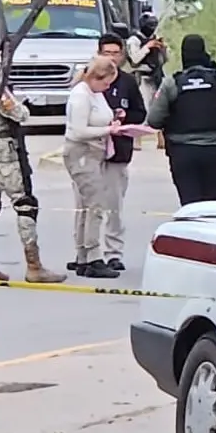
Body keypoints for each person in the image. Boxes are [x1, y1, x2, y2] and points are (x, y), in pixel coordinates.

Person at [0, 30, 65, 284]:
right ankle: (34, 264)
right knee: (25, 204)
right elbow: (18, 113)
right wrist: (22, 104)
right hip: (4, 148)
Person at [70, 33, 145, 272]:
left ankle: (113, 252)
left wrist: (123, 120)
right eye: (107, 53)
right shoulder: (85, 88)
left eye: (116, 53)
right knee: (87, 205)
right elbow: (78, 127)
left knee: (112, 205)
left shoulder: (126, 81)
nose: (112, 58)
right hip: (90, 152)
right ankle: (85, 253)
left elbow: (139, 112)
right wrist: (106, 125)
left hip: (116, 151)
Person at [148, 34, 216, 206]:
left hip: (182, 152)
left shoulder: (172, 83)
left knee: (190, 206)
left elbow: (154, 119)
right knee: (215, 206)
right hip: (214, 150)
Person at [64, 55, 126, 279]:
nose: (107, 88)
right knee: (95, 205)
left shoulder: (95, 93)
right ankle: (93, 255)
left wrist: (114, 119)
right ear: (96, 77)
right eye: (106, 83)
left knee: (85, 205)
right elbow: (78, 131)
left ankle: (82, 255)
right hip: (82, 153)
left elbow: (98, 117)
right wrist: (108, 131)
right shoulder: (81, 96)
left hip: (95, 152)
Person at [127, 11, 167, 148]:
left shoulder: (156, 39)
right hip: (141, 77)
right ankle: (137, 140)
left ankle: (161, 139)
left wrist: (163, 49)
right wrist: (147, 47)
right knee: (142, 108)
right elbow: (134, 60)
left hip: (156, 76)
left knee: (160, 107)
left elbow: (164, 61)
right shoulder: (134, 40)